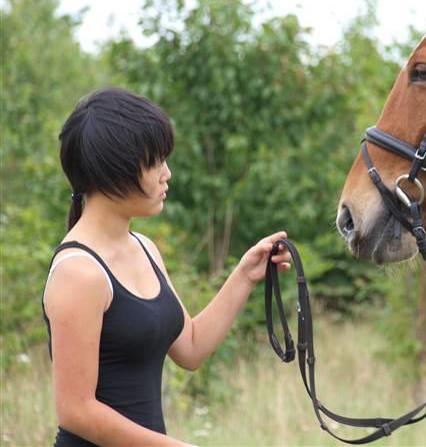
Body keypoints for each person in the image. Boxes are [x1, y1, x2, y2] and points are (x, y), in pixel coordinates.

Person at [42, 87, 292, 446]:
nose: (167, 173)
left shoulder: (144, 248)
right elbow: (76, 411)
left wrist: (246, 275)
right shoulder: (78, 273)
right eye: (154, 161)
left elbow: (190, 348)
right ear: (114, 171)